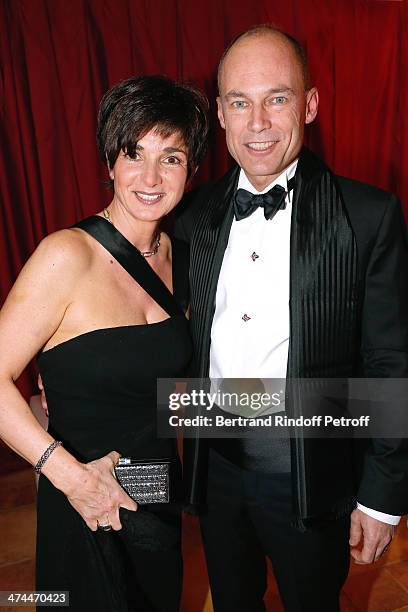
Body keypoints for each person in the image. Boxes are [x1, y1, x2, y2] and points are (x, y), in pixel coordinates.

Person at [175, 26, 408, 611]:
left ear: (309, 105)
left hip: (311, 470)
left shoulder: (368, 215)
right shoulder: (192, 214)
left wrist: (382, 496)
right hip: (214, 465)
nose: (257, 122)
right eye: (239, 102)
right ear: (220, 114)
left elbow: (389, 361)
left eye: (276, 98)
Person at [0, 74, 208, 612]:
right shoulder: (67, 256)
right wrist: (73, 479)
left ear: (192, 168)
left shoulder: (181, 256)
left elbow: (174, 394)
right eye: (133, 153)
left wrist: (322, 413)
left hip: (156, 500)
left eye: (172, 157)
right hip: (82, 504)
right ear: (109, 162)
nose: (151, 176)